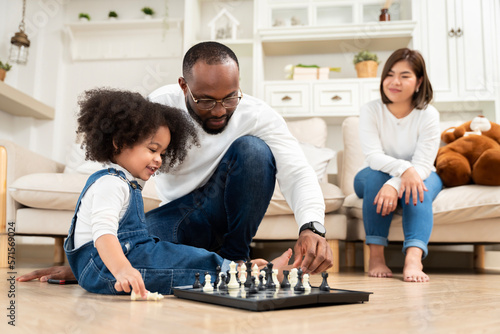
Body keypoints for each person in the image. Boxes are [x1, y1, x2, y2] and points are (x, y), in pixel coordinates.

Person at [18, 41, 331, 283]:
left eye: (230, 97)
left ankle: (237, 263)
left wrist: (312, 226)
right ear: (184, 86)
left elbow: (297, 170)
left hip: (229, 208)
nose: (220, 110)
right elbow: (124, 175)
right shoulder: (159, 109)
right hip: (181, 217)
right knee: (132, 248)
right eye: (206, 99)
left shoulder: (257, 114)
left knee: (254, 151)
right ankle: (224, 268)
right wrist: (94, 262)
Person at [61, 88, 292, 296]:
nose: (158, 160)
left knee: (182, 257)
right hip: (108, 266)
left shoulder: (125, 183)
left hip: (126, 256)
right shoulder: (110, 184)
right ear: (119, 142)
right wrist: (122, 270)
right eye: (153, 150)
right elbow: (103, 234)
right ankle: (251, 276)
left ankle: (239, 270)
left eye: (162, 153)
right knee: (184, 265)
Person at [353, 48, 442, 283]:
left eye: (405, 76)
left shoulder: (428, 114)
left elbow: (422, 164)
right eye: (390, 74)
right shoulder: (371, 110)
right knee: (374, 177)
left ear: (419, 81)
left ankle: (414, 259)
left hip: (421, 173)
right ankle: (376, 256)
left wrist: (396, 182)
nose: (395, 82)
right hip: (375, 174)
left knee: (417, 188)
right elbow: (373, 156)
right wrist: (404, 170)